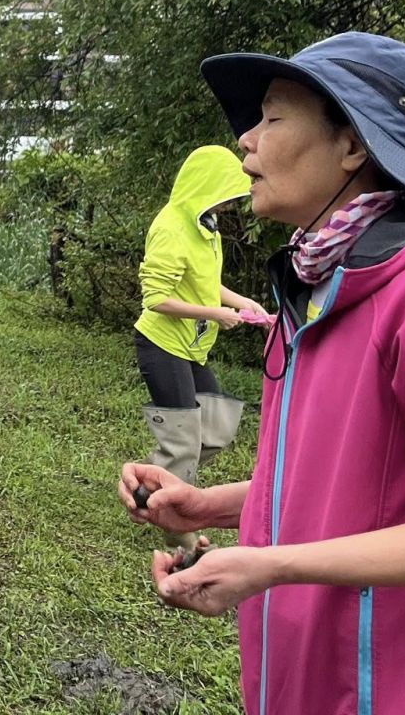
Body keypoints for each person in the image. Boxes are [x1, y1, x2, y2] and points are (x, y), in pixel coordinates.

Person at [119, 32, 405, 715]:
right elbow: (338, 485)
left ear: (352, 145)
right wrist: (209, 506)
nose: (245, 141)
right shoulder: (316, 289)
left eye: (272, 117)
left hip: (396, 690)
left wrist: (272, 565)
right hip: (297, 676)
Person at [135, 145, 266, 544]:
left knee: (218, 428)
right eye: (226, 194)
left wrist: (240, 301)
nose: (229, 205)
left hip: (191, 347)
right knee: (183, 441)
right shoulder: (172, 227)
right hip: (162, 344)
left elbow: (206, 283)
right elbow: (155, 298)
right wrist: (214, 314)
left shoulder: (205, 224)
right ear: (207, 186)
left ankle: (149, 486)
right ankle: (177, 530)